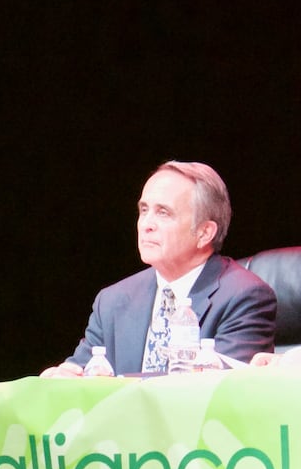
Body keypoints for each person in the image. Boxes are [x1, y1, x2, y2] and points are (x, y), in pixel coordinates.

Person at [43, 161, 276, 377]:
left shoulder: (244, 296)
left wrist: (115, 386)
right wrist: (64, 378)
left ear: (205, 232)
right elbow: (81, 374)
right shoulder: (113, 301)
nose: (146, 225)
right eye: (144, 210)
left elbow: (219, 391)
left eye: (163, 213)